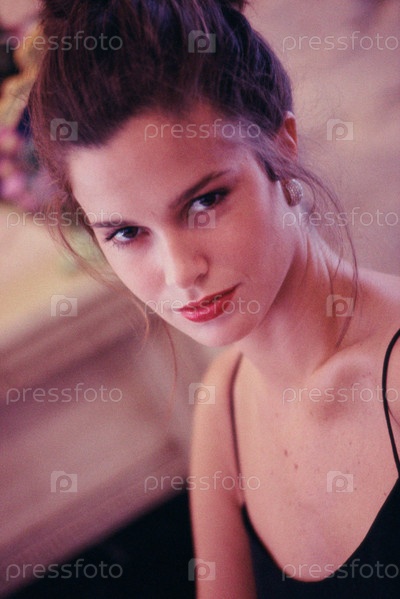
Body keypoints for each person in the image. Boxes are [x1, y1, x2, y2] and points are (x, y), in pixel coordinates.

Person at [28, 0, 400, 597]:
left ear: (283, 147)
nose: (180, 271)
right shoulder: (222, 406)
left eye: (205, 202)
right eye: (127, 233)